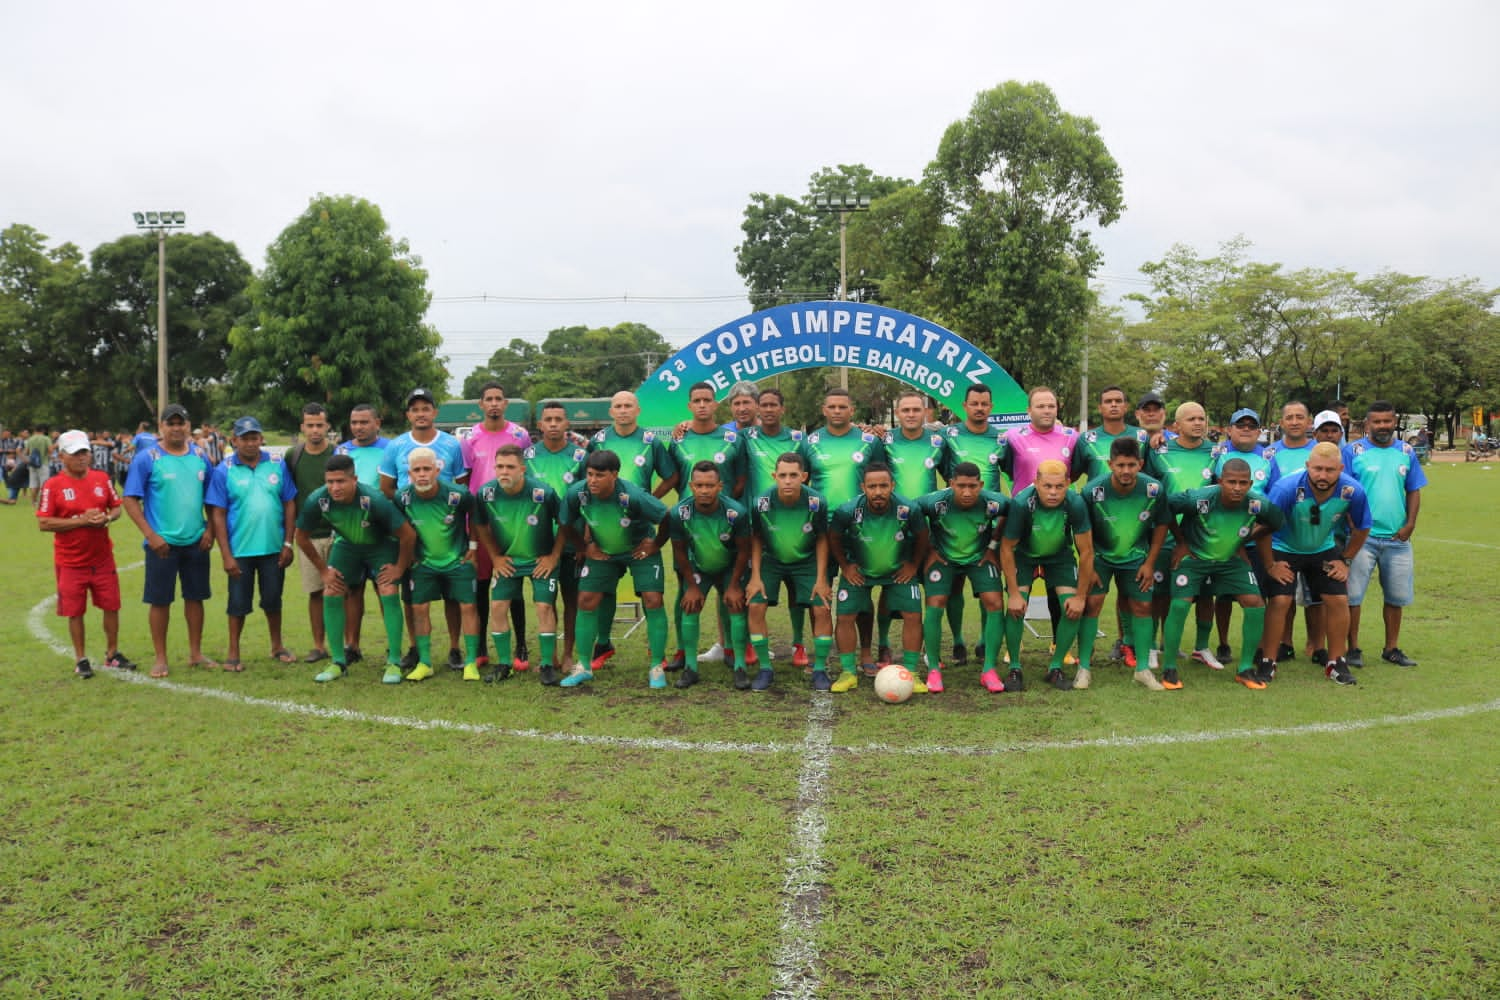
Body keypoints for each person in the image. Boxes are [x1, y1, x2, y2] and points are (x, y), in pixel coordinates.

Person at [1159, 457, 1283, 690]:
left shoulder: (1257, 504)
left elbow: (1276, 522)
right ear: (1220, 481)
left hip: (1230, 561)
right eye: (1232, 482)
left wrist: (1242, 539)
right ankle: (1169, 668)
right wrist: (1181, 541)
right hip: (1194, 558)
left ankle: (1245, 668)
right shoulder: (1199, 498)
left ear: (1249, 484)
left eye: (1243, 483)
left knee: (1255, 603)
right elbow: (1164, 507)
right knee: (1180, 605)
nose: (1237, 488)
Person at [294, 453, 416, 684]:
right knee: (331, 591)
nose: (335, 487)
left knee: (388, 591)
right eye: (330, 482)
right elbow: (301, 537)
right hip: (348, 546)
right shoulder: (317, 500)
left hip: (380, 545)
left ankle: (393, 661)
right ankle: (338, 662)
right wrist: (323, 571)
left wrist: (399, 568)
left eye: (341, 481)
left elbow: (408, 535)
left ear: (354, 480)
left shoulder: (373, 499)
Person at [558, 450, 670, 688]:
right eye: (589, 474)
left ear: (614, 475)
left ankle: (657, 666)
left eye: (599, 475)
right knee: (586, 599)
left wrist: (655, 544)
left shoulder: (632, 495)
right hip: (603, 552)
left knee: (653, 599)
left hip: (637, 550)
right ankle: (584, 666)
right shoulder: (577, 493)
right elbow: (565, 523)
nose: (593, 480)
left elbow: (667, 516)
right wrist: (585, 546)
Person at [584, 390, 677, 672]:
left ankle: (655, 649)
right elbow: (586, 483)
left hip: (639, 530)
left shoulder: (650, 442)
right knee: (601, 590)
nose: (623, 410)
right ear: (611, 412)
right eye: (618, 406)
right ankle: (603, 643)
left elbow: (672, 475)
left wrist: (650, 500)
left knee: (651, 595)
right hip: (603, 529)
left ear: (637, 411)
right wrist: (587, 536)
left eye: (628, 405)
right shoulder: (598, 440)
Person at [1265, 442, 1372, 686]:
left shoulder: (1352, 490)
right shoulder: (1286, 488)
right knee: (1281, 600)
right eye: (1318, 469)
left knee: (1338, 600)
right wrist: (1271, 564)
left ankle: (1336, 662)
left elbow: (1363, 526)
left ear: (1341, 468)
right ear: (1307, 466)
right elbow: (1264, 528)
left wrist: (1345, 560)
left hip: (1322, 548)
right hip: (1284, 548)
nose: (1323, 476)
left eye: (1330, 470)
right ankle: (1267, 661)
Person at [122, 404, 215, 678]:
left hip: (196, 541)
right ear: (161, 426)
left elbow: (212, 496)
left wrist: (209, 529)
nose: (176, 428)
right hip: (162, 545)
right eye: (170, 423)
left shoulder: (201, 455)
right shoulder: (147, 458)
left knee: (196, 598)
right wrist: (151, 536)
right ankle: (160, 657)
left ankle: (196, 653)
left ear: (188, 425)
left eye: (181, 423)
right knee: (160, 601)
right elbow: (129, 499)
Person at [380, 388, 468, 671]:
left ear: (434, 412)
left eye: (425, 408)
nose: (420, 413)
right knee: (413, 595)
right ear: (408, 414)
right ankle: (416, 647)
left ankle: (455, 648)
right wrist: (406, 523)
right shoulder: (396, 446)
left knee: (453, 595)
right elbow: (387, 489)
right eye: (415, 409)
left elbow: (461, 485)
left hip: (447, 530)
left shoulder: (452, 444)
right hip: (413, 530)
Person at [36, 430, 134, 677]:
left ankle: (112, 654)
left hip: (102, 558)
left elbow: (116, 508)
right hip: (70, 561)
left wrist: (106, 518)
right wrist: (81, 522)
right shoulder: (53, 485)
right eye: (75, 453)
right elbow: (44, 523)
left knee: (111, 605)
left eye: (84, 452)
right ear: (61, 456)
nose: (81, 458)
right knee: (74, 611)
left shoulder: (102, 479)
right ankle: (80, 658)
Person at [665, 382, 747, 671]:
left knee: (730, 589)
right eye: (696, 400)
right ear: (689, 406)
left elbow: (740, 478)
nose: (702, 405)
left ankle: (729, 649)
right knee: (685, 591)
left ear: (716, 405)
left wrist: (725, 508)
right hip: (689, 526)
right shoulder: (678, 439)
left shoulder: (732, 438)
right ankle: (681, 651)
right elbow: (673, 477)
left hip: (723, 522)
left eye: (707, 400)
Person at [205, 416, 298, 670]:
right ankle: (233, 652)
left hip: (273, 548)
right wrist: (226, 554)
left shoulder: (277, 465)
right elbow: (218, 514)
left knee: (273, 599)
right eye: (244, 438)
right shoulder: (224, 470)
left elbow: (290, 503)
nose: (250, 443)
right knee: (237, 604)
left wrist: (288, 543)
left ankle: (277, 646)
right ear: (234, 440)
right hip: (241, 550)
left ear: (261, 439)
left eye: (254, 437)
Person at [828, 463, 929, 693]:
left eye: (884, 485)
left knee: (913, 614)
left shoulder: (908, 509)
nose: (878, 491)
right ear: (863, 487)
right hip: (860, 571)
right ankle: (848, 673)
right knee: (845, 616)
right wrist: (846, 566)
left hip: (897, 572)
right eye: (872, 486)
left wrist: (913, 565)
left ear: (892, 485)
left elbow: (923, 537)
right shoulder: (847, 510)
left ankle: (912, 673)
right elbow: (833, 537)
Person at [1079, 438, 1171, 690]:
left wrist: (1150, 562)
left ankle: (1142, 669)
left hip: (1136, 558)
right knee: (1093, 604)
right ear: (1110, 464)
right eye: (1120, 465)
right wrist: (1090, 565)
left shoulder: (1154, 489)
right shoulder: (1091, 491)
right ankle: (1084, 667)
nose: (1126, 471)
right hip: (1101, 557)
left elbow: (1162, 524)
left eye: (1132, 464)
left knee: (1142, 605)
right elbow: (1082, 530)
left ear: (1141, 464)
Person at [1342, 400, 1427, 669]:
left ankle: (1391, 648)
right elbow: (1343, 490)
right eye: (1376, 422)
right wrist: (1352, 526)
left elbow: (1413, 489)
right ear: (1367, 424)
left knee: (1396, 597)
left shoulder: (1406, 450)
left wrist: (1410, 523)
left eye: (1387, 421)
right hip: (1362, 539)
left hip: (1397, 539)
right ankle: (1352, 648)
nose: (1382, 426)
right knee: (1353, 597)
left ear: (1394, 422)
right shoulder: (1352, 451)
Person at [474, 444, 565, 685]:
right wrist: (495, 557)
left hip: (540, 560)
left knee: (544, 607)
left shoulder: (543, 493)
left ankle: (546, 664)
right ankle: (504, 663)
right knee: (498, 606)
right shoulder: (486, 494)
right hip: (509, 562)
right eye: (500, 467)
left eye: (510, 467)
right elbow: (480, 526)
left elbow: (564, 524)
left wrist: (553, 556)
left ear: (522, 469)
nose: (504, 472)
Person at [999, 460, 1094, 691]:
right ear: (1036, 483)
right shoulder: (1022, 503)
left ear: (1068, 484)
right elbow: (1006, 548)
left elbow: (1087, 551)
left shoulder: (1075, 503)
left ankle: (1055, 667)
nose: (1053, 492)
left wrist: (1081, 597)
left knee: (1071, 608)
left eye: (1059, 487)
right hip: (1024, 555)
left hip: (1058, 556)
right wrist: (1013, 593)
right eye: (1047, 486)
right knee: (1016, 607)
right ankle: (1015, 668)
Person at [1074, 385, 1151, 664]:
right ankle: (1087, 652)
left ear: (1127, 405)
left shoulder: (1141, 436)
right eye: (1108, 401)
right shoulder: (1088, 439)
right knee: (1096, 596)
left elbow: (1150, 475)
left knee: (1132, 594)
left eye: (1119, 400)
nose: (1114, 405)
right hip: (1099, 526)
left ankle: (1127, 643)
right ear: (1100, 407)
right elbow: (1074, 474)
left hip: (1134, 523)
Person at [915, 461, 1008, 693]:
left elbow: (1011, 510)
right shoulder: (935, 502)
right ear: (951, 484)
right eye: (961, 486)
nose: (967, 492)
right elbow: (913, 513)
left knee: (995, 602)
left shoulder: (993, 502)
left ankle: (988, 670)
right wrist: (929, 550)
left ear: (981, 485)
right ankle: (934, 669)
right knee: (935, 603)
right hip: (944, 558)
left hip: (979, 558)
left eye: (973, 486)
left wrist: (993, 545)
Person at [461, 382, 534, 673]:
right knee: (479, 585)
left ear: (506, 404)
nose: (493, 403)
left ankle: (521, 646)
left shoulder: (520, 435)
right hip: (480, 523)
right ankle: (479, 646)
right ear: (480, 404)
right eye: (488, 399)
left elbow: (529, 474)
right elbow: (464, 481)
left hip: (512, 522)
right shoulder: (469, 438)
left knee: (512, 584)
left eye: (498, 399)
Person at [746, 452, 835, 690]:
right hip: (771, 560)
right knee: (755, 605)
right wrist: (755, 576)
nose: (787, 481)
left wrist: (821, 579)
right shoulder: (761, 502)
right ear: (774, 476)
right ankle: (765, 668)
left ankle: (819, 670)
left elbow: (822, 538)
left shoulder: (816, 501)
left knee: (822, 608)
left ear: (803, 477)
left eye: (793, 475)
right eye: (782, 475)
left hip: (806, 561)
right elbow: (756, 538)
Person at [396, 447, 481, 681]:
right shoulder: (402, 497)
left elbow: (475, 516)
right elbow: (399, 528)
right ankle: (425, 662)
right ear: (409, 473)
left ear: (437, 470)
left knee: (467, 607)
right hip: (423, 564)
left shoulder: (458, 494)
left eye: (426, 469)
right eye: (417, 470)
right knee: (419, 609)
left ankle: (470, 662)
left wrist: (473, 548)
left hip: (458, 560)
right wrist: (409, 553)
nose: (422, 474)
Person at [740, 388, 811, 668]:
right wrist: (683, 426)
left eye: (774, 405)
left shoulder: (798, 439)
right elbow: (720, 435)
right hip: (759, 524)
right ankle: (750, 644)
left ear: (782, 409)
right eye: (764, 405)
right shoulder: (746, 437)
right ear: (758, 409)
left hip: (793, 524)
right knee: (754, 588)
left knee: (796, 590)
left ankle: (798, 644)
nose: (768, 410)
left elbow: (811, 473)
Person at [1144, 400, 1218, 669]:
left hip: (1203, 537)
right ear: (1177, 426)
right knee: (1159, 592)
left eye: (1201, 418)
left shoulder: (1217, 452)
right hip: (1164, 534)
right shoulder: (1159, 450)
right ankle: (1152, 646)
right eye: (1191, 419)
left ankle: (1201, 646)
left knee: (1205, 593)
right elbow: (1149, 488)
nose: (1198, 423)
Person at [668, 461, 751, 688]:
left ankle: (740, 667)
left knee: (735, 604)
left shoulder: (736, 513)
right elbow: (679, 552)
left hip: (729, 567)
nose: (705, 490)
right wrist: (692, 587)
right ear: (691, 486)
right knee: (690, 605)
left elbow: (744, 551)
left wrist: (734, 585)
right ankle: (690, 668)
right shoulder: (679, 513)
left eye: (710, 485)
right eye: (700, 485)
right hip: (698, 567)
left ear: (720, 486)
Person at [523, 401, 589, 677]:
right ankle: (548, 655)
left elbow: (590, 497)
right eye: (547, 419)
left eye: (558, 419)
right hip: (540, 541)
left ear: (566, 424)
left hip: (573, 539)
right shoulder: (526, 456)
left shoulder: (580, 456)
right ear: (539, 425)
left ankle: (569, 653)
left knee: (571, 599)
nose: (552, 424)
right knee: (545, 601)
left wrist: (586, 538)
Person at [1207, 408, 1273, 667]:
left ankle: (1258, 646)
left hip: (1257, 536)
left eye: (1251, 425)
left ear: (1259, 431)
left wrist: (1259, 527)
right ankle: (1223, 643)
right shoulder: (1218, 455)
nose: (1246, 429)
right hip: (1224, 536)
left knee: (1257, 592)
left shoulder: (1268, 456)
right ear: (1229, 429)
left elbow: (1272, 496)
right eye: (1240, 424)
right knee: (1223, 595)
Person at [332, 402, 390, 662]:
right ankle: (352, 645)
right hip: (350, 533)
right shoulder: (342, 451)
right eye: (354, 422)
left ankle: (394, 643)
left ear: (377, 423)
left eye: (364, 422)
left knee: (384, 588)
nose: (359, 427)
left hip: (380, 533)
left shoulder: (390, 449)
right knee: (351, 590)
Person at [285, 403, 336, 663]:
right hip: (309, 536)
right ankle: (319, 645)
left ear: (327, 426)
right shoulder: (292, 456)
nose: (315, 430)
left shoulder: (338, 454)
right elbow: (289, 498)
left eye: (320, 425)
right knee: (315, 592)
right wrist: (289, 536)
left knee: (343, 590)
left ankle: (349, 644)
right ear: (302, 427)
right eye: (310, 425)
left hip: (339, 533)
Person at [26, 424, 53, 503]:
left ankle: (33, 501)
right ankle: (42, 501)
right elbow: (50, 450)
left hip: (32, 464)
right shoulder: (46, 438)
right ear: (43, 430)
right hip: (43, 463)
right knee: (44, 483)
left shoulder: (30, 439)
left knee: (33, 483)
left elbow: (27, 452)